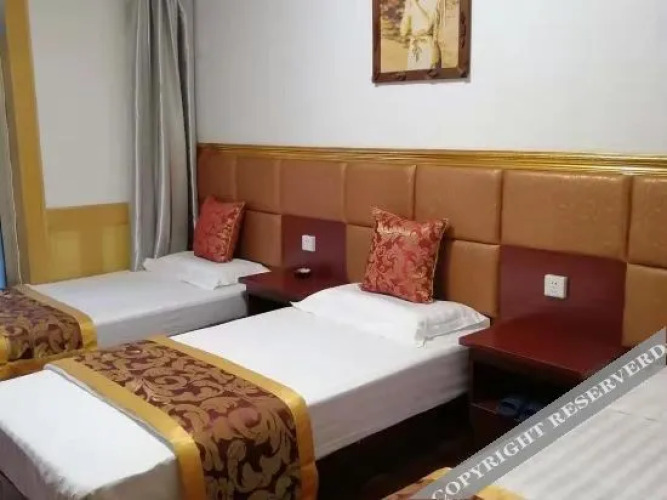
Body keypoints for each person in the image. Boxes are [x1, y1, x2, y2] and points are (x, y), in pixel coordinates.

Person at [400, 0, 443, 71]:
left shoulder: (434, 2)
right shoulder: (411, 3)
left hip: (426, 46)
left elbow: (427, 26)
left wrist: (414, 3)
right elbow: (403, 31)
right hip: (416, 45)